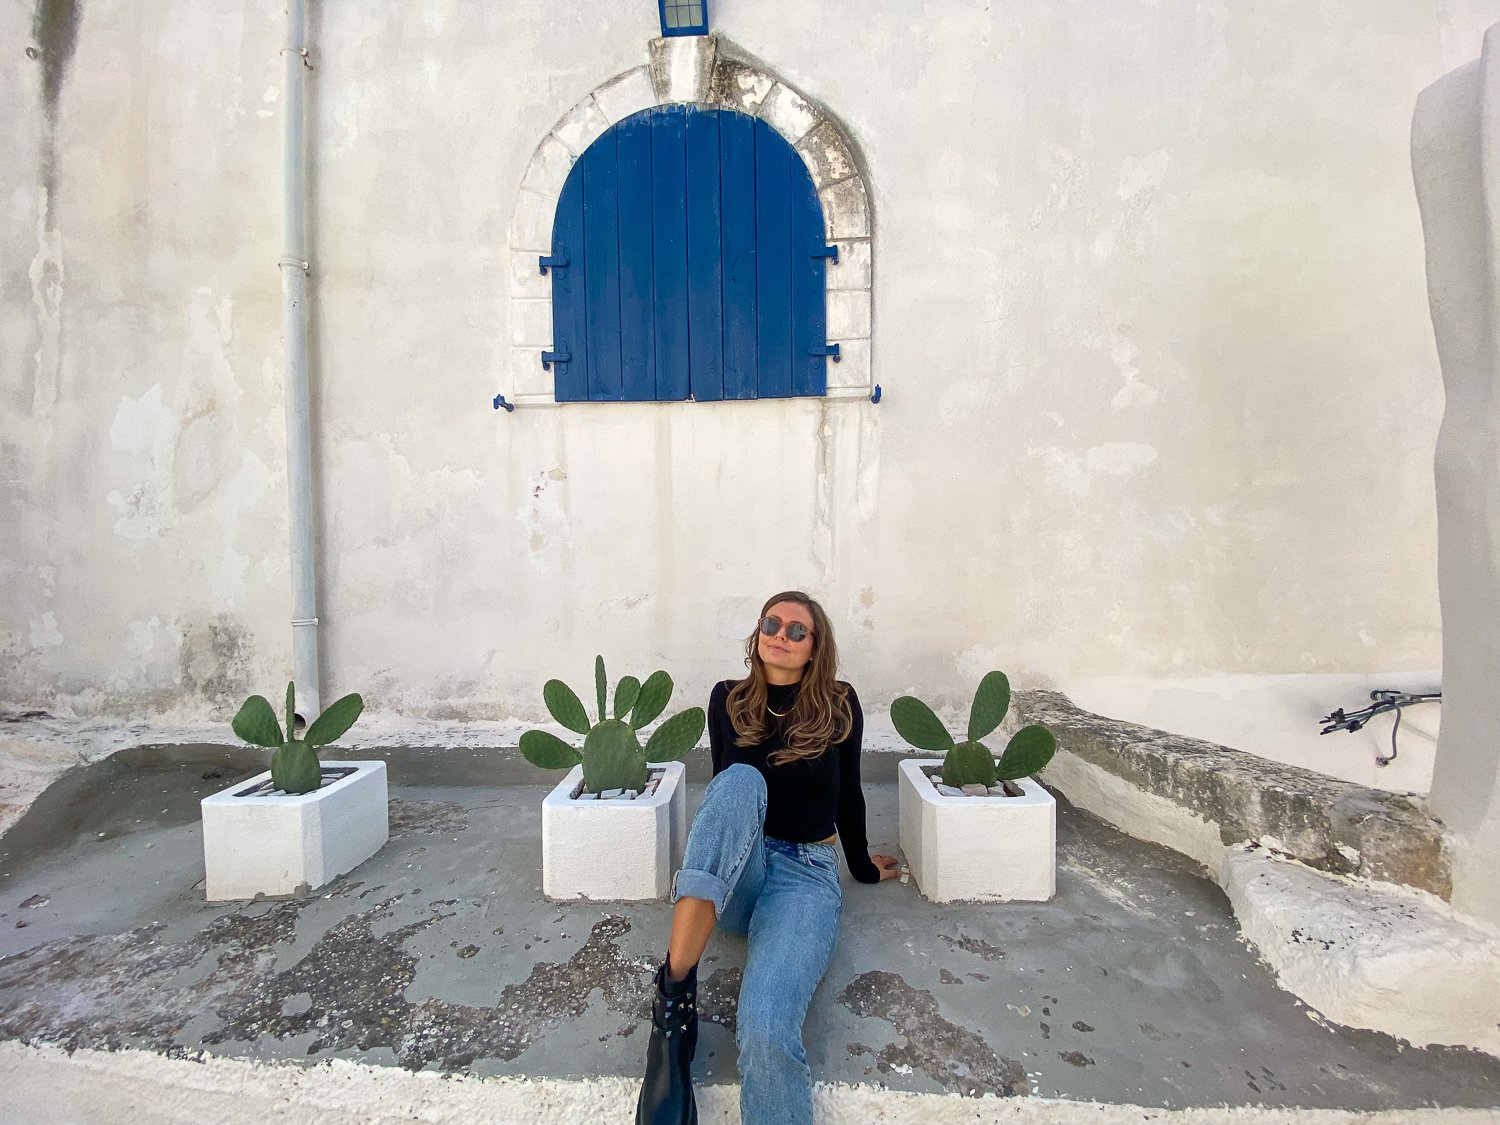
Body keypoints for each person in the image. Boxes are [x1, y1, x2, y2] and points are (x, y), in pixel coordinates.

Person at [636, 590, 902, 1125]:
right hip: (744, 869)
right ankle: (673, 1002)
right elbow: (723, 799)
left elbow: (849, 795)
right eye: (771, 624)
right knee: (737, 781)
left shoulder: (839, 702)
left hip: (806, 874)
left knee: (764, 1028)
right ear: (758, 634)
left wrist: (862, 867)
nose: (780, 635)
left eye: (796, 630)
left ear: (814, 647)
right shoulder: (727, 698)